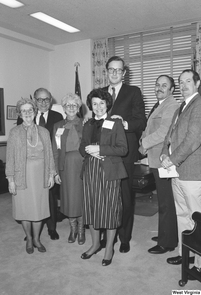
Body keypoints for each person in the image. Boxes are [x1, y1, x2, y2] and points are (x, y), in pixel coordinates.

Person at [160, 69, 201, 276]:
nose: (183, 85)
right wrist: (165, 154)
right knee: (183, 216)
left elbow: (193, 139)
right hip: (177, 172)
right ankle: (186, 255)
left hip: (194, 173)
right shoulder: (181, 106)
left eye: (188, 81)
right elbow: (169, 136)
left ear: (197, 83)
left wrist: (171, 159)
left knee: (198, 219)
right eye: (180, 82)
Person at [102, 56, 146, 253]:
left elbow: (141, 121)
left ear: (124, 73)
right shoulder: (100, 93)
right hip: (103, 150)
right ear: (106, 71)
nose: (114, 73)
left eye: (118, 70)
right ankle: (107, 234)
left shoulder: (133, 92)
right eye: (111, 69)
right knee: (105, 194)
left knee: (125, 195)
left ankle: (125, 236)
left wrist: (124, 123)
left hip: (125, 150)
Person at [79, 88, 128, 266]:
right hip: (90, 170)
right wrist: (88, 150)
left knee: (109, 210)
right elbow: (81, 147)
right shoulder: (87, 124)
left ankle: (109, 248)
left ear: (107, 104)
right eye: (94, 104)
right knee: (92, 208)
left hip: (109, 171)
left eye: (101, 103)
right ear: (90, 106)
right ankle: (95, 244)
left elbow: (123, 149)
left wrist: (100, 149)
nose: (98, 107)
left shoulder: (115, 123)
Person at [6, 97, 56, 254]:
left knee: (38, 209)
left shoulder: (44, 131)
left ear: (35, 112)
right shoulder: (14, 133)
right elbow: (10, 157)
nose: (27, 113)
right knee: (24, 209)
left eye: (30, 110)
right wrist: (11, 179)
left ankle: (37, 239)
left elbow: (49, 155)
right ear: (19, 114)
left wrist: (51, 174)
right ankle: (28, 238)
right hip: (21, 175)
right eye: (23, 111)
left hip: (40, 175)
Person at [139, 75, 179, 254]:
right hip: (155, 159)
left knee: (166, 202)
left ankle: (167, 242)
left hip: (164, 161)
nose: (159, 88)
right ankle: (166, 233)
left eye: (164, 85)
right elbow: (150, 128)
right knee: (163, 200)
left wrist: (144, 144)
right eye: (157, 85)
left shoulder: (171, 105)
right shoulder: (160, 105)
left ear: (172, 90)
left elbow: (164, 132)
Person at [17, 88, 63, 240]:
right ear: (34, 101)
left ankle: (51, 228)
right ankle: (30, 231)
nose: (43, 103)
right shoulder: (26, 116)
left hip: (47, 163)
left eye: (47, 99)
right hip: (29, 166)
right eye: (39, 99)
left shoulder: (58, 116)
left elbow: (59, 142)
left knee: (49, 196)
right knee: (30, 197)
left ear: (51, 101)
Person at [51, 93, 85, 245]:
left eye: (74, 105)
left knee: (81, 199)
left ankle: (82, 230)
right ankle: (73, 229)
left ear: (79, 107)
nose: (71, 108)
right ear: (63, 108)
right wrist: (56, 171)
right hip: (65, 167)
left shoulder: (86, 124)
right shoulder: (57, 126)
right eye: (68, 105)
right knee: (69, 199)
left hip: (82, 166)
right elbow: (55, 150)